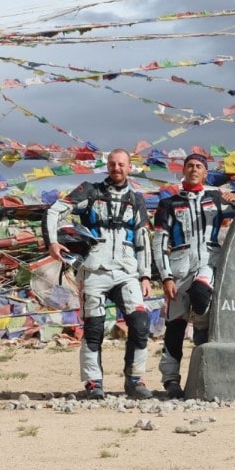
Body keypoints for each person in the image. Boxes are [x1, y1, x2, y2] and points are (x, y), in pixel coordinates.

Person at [43, 148, 154, 399]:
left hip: (127, 271)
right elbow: (54, 211)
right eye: (113, 164)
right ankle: (93, 383)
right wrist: (52, 242)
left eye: (122, 164)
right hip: (94, 270)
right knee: (94, 327)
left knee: (140, 323)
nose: (117, 168)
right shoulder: (89, 191)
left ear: (129, 167)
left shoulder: (137, 200)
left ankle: (135, 380)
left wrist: (145, 275)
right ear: (107, 166)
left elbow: (142, 239)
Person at [152, 153, 235, 399]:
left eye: (199, 166)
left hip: (209, 262)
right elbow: (159, 244)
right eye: (189, 165)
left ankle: (206, 363)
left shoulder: (216, 199)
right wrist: (165, 277)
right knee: (175, 325)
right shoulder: (168, 204)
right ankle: (170, 380)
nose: (193, 169)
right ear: (183, 171)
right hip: (178, 268)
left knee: (202, 298)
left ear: (206, 172)